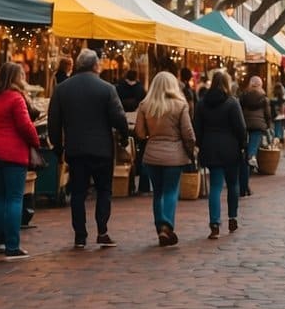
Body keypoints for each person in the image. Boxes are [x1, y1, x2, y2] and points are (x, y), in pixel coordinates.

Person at [47, 49, 130, 249]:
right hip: (102, 149)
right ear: (95, 66)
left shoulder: (62, 89)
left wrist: (58, 148)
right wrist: (124, 136)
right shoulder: (107, 88)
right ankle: (102, 231)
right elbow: (119, 117)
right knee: (104, 190)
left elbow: (53, 122)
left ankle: (80, 235)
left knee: (77, 193)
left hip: (76, 149)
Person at [0, 61, 40, 259]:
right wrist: (36, 141)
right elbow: (25, 126)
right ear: (15, 77)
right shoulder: (16, 98)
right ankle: (13, 245)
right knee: (15, 198)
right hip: (12, 152)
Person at [135, 71, 197, 247]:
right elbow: (188, 133)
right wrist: (191, 149)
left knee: (158, 192)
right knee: (171, 191)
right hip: (174, 155)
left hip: (152, 154)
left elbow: (139, 132)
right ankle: (167, 225)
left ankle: (159, 226)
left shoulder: (145, 105)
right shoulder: (180, 105)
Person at [194, 69, 247, 239]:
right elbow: (240, 127)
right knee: (232, 184)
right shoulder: (232, 102)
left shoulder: (202, 103)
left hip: (210, 148)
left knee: (215, 187)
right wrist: (243, 144)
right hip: (230, 148)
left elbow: (197, 129)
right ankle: (232, 217)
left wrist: (201, 145)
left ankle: (215, 223)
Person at [238, 76, 272, 196]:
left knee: (243, 158)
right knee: (249, 157)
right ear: (260, 85)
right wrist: (267, 126)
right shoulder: (264, 98)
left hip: (244, 127)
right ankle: (252, 156)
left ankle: (243, 187)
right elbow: (268, 114)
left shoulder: (243, 96)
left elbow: (239, 111)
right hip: (258, 127)